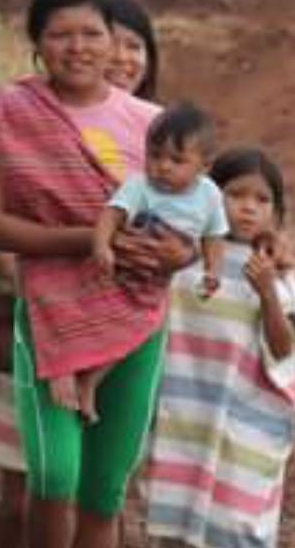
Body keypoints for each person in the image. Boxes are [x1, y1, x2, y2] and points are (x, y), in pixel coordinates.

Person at [0, 0, 197, 548]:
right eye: (60, 35)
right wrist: (87, 241)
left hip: (135, 321)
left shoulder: (150, 125)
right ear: (37, 44)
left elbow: (192, 227)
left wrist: (174, 254)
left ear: (114, 40)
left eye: (92, 33)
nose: (78, 47)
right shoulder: (6, 113)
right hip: (50, 314)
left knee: (104, 487)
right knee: (54, 472)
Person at [141, 147, 295, 548]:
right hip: (187, 403)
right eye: (236, 195)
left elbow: (283, 346)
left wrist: (268, 292)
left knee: (231, 522)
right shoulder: (188, 254)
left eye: (262, 199)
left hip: (243, 413)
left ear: (277, 212)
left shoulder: (274, 269)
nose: (248, 208)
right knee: (175, 505)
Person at [78, 103, 229, 414]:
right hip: (121, 274)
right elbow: (111, 215)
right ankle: (80, 375)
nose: (163, 167)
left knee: (134, 333)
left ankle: (90, 381)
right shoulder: (140, 186)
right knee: (101, 323)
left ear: (204, 166)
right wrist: (102, 246)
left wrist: (213, 272)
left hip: (155, 285)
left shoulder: (210, 196)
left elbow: (213, 237)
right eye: (155, 156)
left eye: (177, 160)